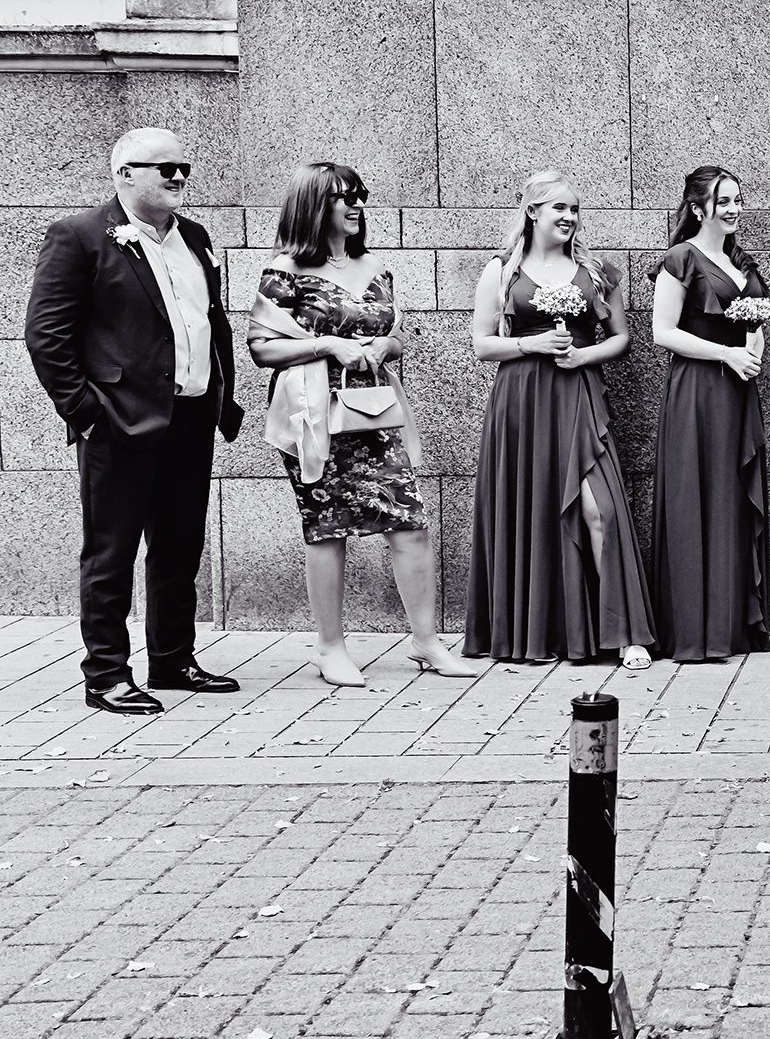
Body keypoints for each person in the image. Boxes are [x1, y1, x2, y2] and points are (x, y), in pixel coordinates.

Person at [22, 128, 245, 713]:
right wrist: (85, 411)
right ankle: (107, 674)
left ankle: (172, 660)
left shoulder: (195, 238)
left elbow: (207, 321)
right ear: (123, 173)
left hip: (190, 415)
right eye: (162, 168)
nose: (176, 177)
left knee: (179, 546)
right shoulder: (80, 237)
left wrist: (222, 394)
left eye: (183, 168)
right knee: (111, 550)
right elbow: (47, 337)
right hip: (117, 422)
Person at [249, 161, 484, 687]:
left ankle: (426, 643)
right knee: (326, 528)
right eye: (342, 197)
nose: (355, 205)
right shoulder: (284, 270)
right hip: (312, 414)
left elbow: (396, 340)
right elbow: (262, 347)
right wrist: (328, 343)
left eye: (359, 195)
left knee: (409, 522)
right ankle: (329, 647)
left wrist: (384, 345)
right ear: (314, 205)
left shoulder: (376, 267)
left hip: (374, 411)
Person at [462, 170, 655, 668]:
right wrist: (532, 343)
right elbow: (483, 343)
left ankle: (625, 633)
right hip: (522, 403)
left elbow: (621, 338)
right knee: (535, 514)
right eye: (559, 209)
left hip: (579, 398)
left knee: (600, 510)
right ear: (532, 213)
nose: (569, 218)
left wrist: (583, 357)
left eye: (574, 209)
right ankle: (539, 633)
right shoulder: (501, 271)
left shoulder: (595, 272)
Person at [648, 165, 770, 662]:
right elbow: (663, 332)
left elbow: (755, 317)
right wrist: (726, 355)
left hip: (738, 391)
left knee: (730, 499)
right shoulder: (682, 259)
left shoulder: (742, 260)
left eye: (737, 199)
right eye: (723, 201)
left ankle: (730, 625)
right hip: (698, 392)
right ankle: (696, 632)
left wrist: (754, 341)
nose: (733, 209)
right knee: (695, 499)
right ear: (699, 208)